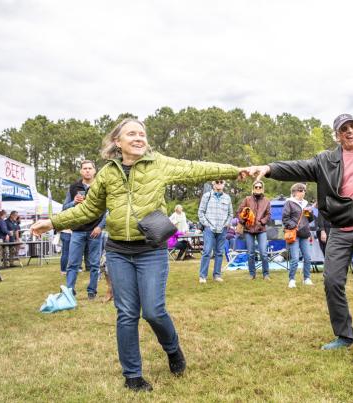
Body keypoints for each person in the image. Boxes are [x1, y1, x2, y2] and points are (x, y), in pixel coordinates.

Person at [30, 118, 246, 392]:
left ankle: (173, 349)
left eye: (142, 134)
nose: (138, 138)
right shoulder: (107, 173)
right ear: (117, 142)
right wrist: (53, 222)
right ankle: (132, 375)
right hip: (119, 251)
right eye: (131, 134)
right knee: (127, 313)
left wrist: (233, 171)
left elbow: (196, 169)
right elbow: (88, 210)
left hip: (151, 249)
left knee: (154, 311)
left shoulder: (159, 164)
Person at [245, 113, 353, 366]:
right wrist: (268, 169)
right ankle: (344, 335)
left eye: (352, 126)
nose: (349, 131)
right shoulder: (325, 160)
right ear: (337, 135)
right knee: (332, 280)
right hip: (340, 226)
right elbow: (297, 167)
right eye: (343, 129)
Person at [63, 160, 107, 300]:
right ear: (81, 171)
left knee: (94, 264)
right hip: (78, 230)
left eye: (90, 168)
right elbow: (65, 208)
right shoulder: (74, 187)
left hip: (95, 230)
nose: (87, 170)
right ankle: (69, 291)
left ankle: (92, 291)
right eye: (84, 168)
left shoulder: (101, 186)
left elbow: (108, 210)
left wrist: (100, 226)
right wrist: (73, 202)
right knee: (73, 263)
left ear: (95, 171)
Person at [198, 179, 233, 284]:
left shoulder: (227, 198)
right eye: (217, 182)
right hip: (209, 229)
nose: (219, 184)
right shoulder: (207, 196)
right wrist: (206, 224)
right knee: (207, 252)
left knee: (219, 252)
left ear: (224, 184)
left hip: (222, 229)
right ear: (213, 183)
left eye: (221, 182)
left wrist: (227, 224)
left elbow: (230, 214)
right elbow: (201, 212)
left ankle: (217, 275)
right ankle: (202, 276)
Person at [282, 183, 315, 288]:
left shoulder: (306, 204)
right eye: (301, 190)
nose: (303, 192)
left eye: (304, 190)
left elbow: (310, 219)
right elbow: (285, 219)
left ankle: (307, 278)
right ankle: (291, 280)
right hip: (294, 234)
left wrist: (309, 213)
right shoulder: (289, 203)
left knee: (308, 257)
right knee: (295, 258)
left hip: (305, 234)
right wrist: (295, 226)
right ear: (295, 192)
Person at [237, 180, 271, 280]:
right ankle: (252, 274)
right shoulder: (247, 199)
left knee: (263, 253)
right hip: (248, 230)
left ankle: (266, 274)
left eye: (260, 187)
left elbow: (269, 215)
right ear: (253, 188)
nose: (258, 189)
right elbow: (239, 212)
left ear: (262, 189)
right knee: (250, 253)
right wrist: (244, 221)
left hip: (261, 230)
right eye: (256, 187)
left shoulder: (267, 201)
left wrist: (262, 222)